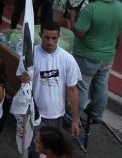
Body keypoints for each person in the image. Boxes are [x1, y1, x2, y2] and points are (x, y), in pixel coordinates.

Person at [72, 0, 122, 123]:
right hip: (108, 55)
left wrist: (72, 19)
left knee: (81, 86)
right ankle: (96, 113)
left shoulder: (90, 9)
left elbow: (80, 32)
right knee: (101, 85)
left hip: (87, 54)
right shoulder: (120, 7)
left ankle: (73, 117)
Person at [19, 20, 81, 148]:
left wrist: (75, 120)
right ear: (40, 35)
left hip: (56, 115)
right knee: (34, 149)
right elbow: (20, 77)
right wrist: (23, 78)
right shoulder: (30, 55)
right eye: (47, 37)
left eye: (54, 38)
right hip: (34, 113)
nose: (50, 42)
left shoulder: (67, 59)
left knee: (52, 150)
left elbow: (73, 90)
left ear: (59, 37)